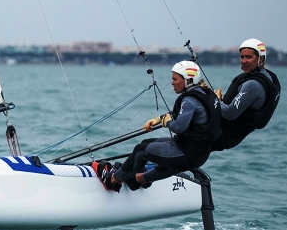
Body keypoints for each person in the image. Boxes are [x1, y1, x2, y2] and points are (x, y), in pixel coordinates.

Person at [94, 61, 221, 191]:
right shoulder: (206, 93)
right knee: (146, 143)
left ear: (188, 80)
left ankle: (113, 180)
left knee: (140, 150)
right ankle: (140, 179)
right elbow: (181, 115)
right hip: (200, 155)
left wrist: (167, 122)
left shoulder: (189, 100)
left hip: (186, 154)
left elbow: (178, 127)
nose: (172, 82)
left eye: (174, 79)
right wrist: (158, 119)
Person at [212, 38, 281, 151]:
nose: (244, 61)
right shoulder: (269, 77)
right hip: (230, 137)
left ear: (261, 58)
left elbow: (230, 113)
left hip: (220, 136)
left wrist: (213, 100)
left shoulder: (253, 85)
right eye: (242, 57)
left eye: (249, 57)